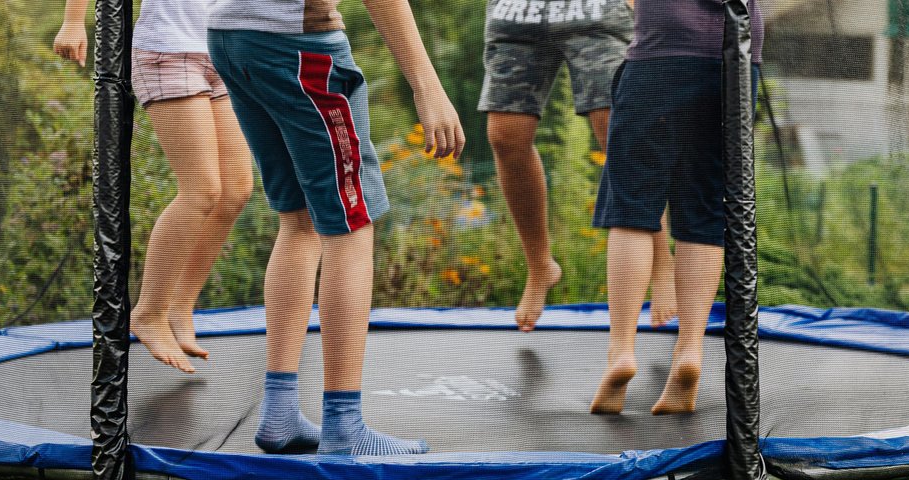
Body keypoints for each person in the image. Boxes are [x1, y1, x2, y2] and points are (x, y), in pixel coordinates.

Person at [206, 0, 465, 455]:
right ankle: (344, 425)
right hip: (298, 45)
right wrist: (427, 86)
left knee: (299, 219)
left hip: (231, 36)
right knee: (351, 223)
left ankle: (280, 411)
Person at [54, 0, 254, 374]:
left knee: (236, 191)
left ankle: (180, 306)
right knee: (202, 190)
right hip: (169, 49)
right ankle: (149, 312)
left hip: (223, 48)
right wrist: (73, 21)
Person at [590, 0, 763, 416]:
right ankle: (689, 351)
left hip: (661, 51)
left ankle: (621, 351)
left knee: (630, 209)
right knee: (705, 210)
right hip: (737, 58)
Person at [480, 0, 677, 332]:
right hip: (518, 10)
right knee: (505, 136)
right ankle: (540, 267)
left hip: (594, 8)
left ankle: (661, 263)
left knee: (616, 129)